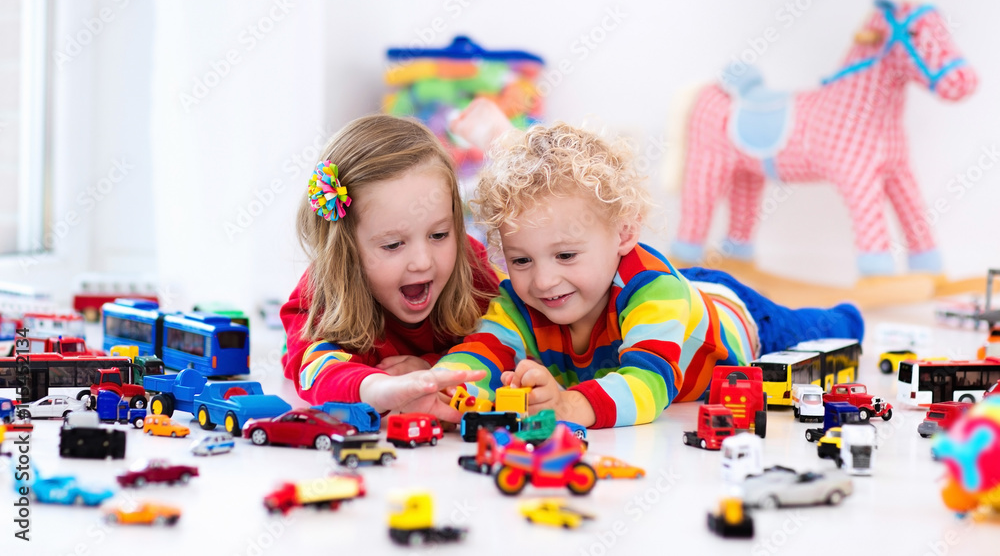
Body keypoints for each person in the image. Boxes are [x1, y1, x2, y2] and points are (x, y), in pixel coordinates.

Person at [432, 122, 864, 428]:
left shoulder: (655, 293)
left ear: (624, 233)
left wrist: (568, 404)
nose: (542, 281)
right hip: (679, 289)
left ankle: (850, 316)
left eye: (565, 255)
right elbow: (483, 351)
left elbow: (648, 385)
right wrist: (443, 386)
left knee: (819, 331)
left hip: (739, 318)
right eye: (521, 261)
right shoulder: (520, 301)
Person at [280, 115, 498, 419]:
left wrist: (436, 366)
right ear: (346, 248)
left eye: (439, 235)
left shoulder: (471, 266)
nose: (423, 262)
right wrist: (377, 388)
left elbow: (507, 343)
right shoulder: (321, 291)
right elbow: (317, 370)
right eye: (393, 244)